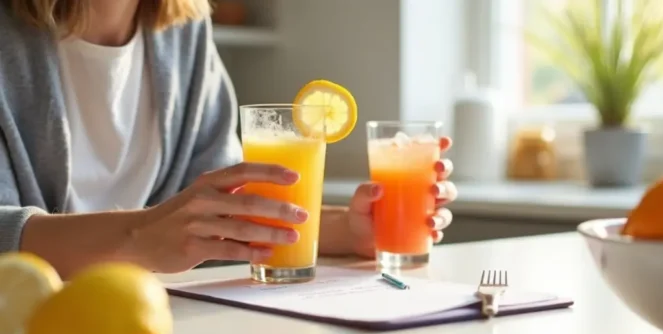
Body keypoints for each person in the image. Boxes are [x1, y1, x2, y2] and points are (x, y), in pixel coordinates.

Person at [0, 0, 457, 279]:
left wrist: (349, 229)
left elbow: (221, 216)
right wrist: (140, 236)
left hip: (151, 327)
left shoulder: (183, 31)